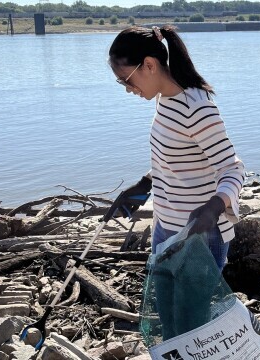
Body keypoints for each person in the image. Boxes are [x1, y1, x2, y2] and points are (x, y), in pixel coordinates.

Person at [107, 25, 244, 270]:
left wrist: (213, 208)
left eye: (126, 80)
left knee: (194, 310)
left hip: (200, 236)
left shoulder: (198, 108)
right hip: (164, 226)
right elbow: (177, 155)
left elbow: (233, 170)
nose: (128, 89)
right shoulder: (164, 100)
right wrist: (145, 183)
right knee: (168, 308)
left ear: (149, 65)